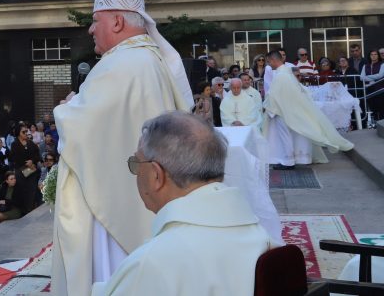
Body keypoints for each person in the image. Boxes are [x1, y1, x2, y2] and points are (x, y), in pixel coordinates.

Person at [52, 0, 194, 296]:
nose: (90, 29)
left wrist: (67, 108)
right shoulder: (149, 58)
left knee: (115, 278)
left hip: (116, 212)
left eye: (95, 20)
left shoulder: (121, 65)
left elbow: (82, 129)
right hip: (142, 196)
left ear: (117, 22)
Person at [91, 112, 273, 296]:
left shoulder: (152, 264)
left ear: (156, 175)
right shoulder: (260, 236)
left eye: (137, 163)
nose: (136, 172)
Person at [264, 51, 354, 166]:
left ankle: (288, 162)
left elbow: (273, 95)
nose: (268, 64)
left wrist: (269, 109)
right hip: (287, 109)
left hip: (281, 111)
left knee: (284, 136)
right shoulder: (287, 74)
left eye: (268, 61)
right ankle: (292, 160)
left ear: (273, 60)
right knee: (289, 135)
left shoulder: (281, 76)